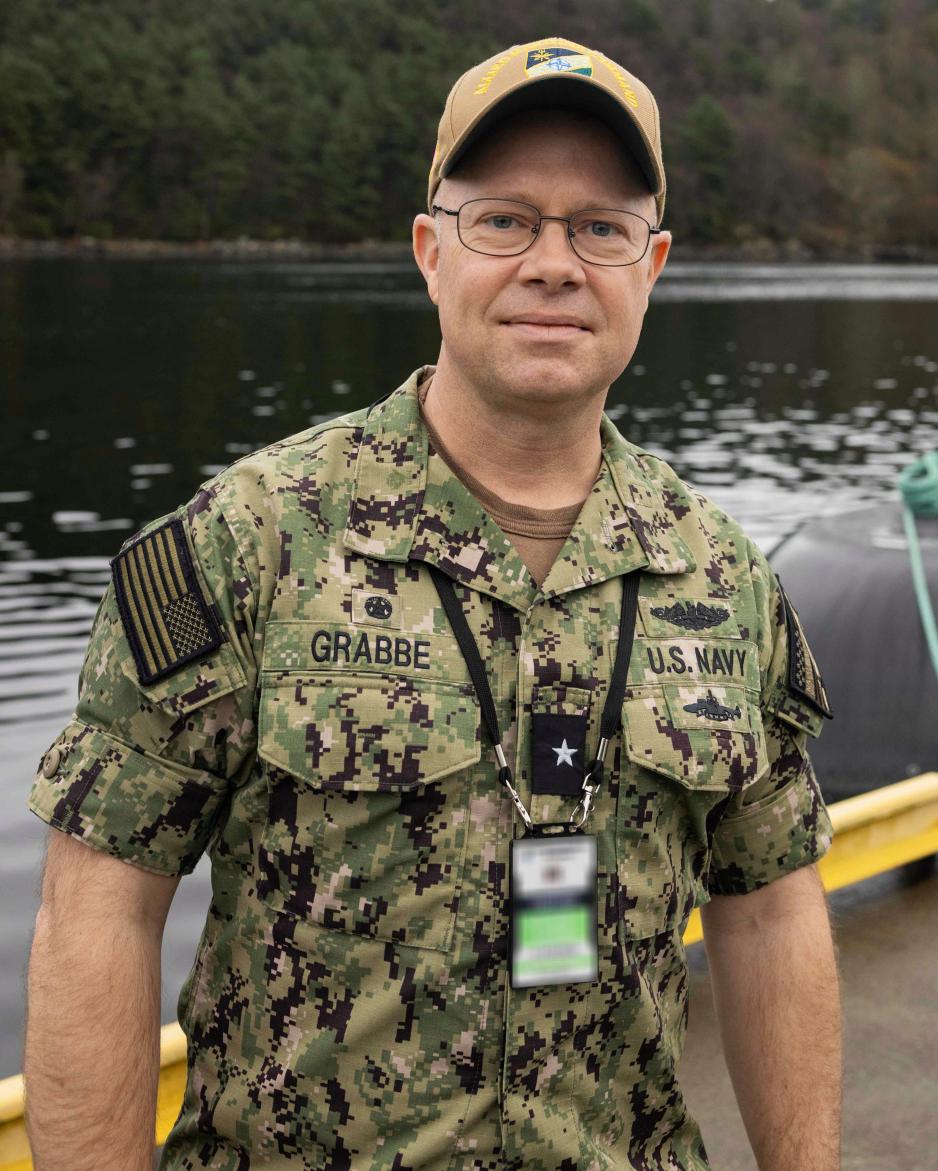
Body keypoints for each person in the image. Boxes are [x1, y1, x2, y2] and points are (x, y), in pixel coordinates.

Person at [23, 36, 842, 1171]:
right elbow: (101, 910)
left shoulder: (724, 581)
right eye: (503, 219)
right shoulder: (253, 537)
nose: (553, 263)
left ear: (649, 265)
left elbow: (768, 912)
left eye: (597, 227)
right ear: (429, 251)